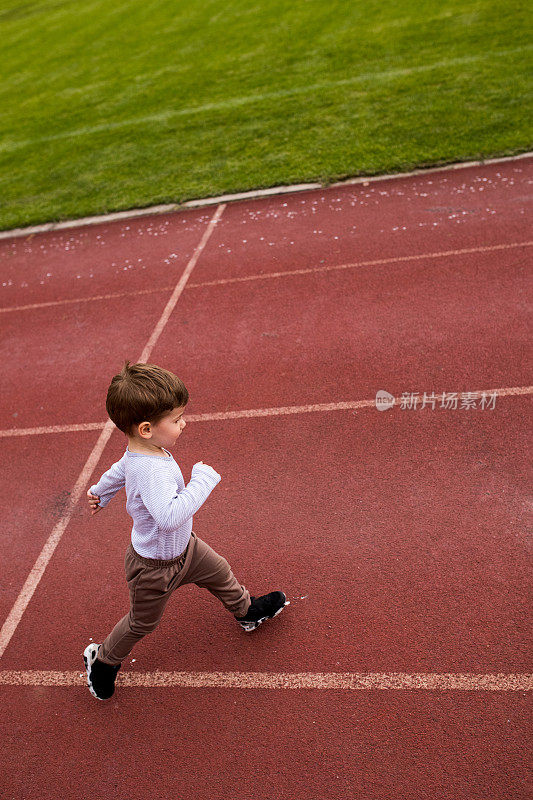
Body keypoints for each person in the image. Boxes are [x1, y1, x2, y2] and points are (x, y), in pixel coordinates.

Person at [83, 360, 288, 701]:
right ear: (146, 428)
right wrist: (202, 482)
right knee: (142, 623)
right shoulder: (152, 469)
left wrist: (100, 493)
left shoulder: (142, 451)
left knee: (219, 570)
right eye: (176, 419)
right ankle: (102, 660)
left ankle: (246, 611)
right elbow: (169, 516)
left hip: (185, 551)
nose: (184, 423)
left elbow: (121, 469)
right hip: (153, 569)